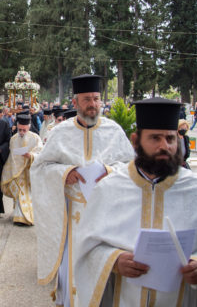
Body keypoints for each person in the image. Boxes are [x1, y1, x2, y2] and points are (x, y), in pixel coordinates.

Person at [75, 97, 197, 306]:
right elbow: (85, 248)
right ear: (135, 141)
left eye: (170, 139)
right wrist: (114, 260)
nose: (164, 146)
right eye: (155, 138)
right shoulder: (110, 189)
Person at [30, 74, 135, 307]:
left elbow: (131, 168)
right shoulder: (60, 132)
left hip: (106, 216)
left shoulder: (114, 131)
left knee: (105, 271)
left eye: (96, 99)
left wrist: (109, 170)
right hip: (72, 218)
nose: (93, 104)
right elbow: (40, 168)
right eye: (87, 99)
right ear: (75, 102)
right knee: (73, 271)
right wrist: (65, 172)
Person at [0, 114, 42, 226]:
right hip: (16, 172)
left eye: (24, 130)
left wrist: (31, 155)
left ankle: (26, 217)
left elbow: (40, 153)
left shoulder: (35, 138)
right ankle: (19, 217)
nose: (22, 132)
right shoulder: (13, 139)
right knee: (19, 194)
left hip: (30, 171)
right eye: (20, 130)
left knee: (28, 195)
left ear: (29, 127)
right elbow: (12, 156)